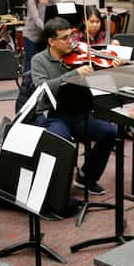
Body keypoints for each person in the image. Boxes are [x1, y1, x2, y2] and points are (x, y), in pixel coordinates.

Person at [31, 17, 120, 195]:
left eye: (71, 36)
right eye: (65, 38)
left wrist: (112, 67)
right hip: (52, 115)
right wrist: (72, 74)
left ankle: (87, 177)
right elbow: (43, 89)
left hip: (78, 112)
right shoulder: (38, 60)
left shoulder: (79, 56)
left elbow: (98, 79)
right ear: (51, 42)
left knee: (109, 132)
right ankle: (57, 187)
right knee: (61, 140)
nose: (70, 42)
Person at [22, 0, 53, 73]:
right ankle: (27, 83)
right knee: (30, 59)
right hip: (31, 35)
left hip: (43, 35)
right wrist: (47, 28)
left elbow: (55, 10)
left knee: (43, 60)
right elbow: (36, 18)